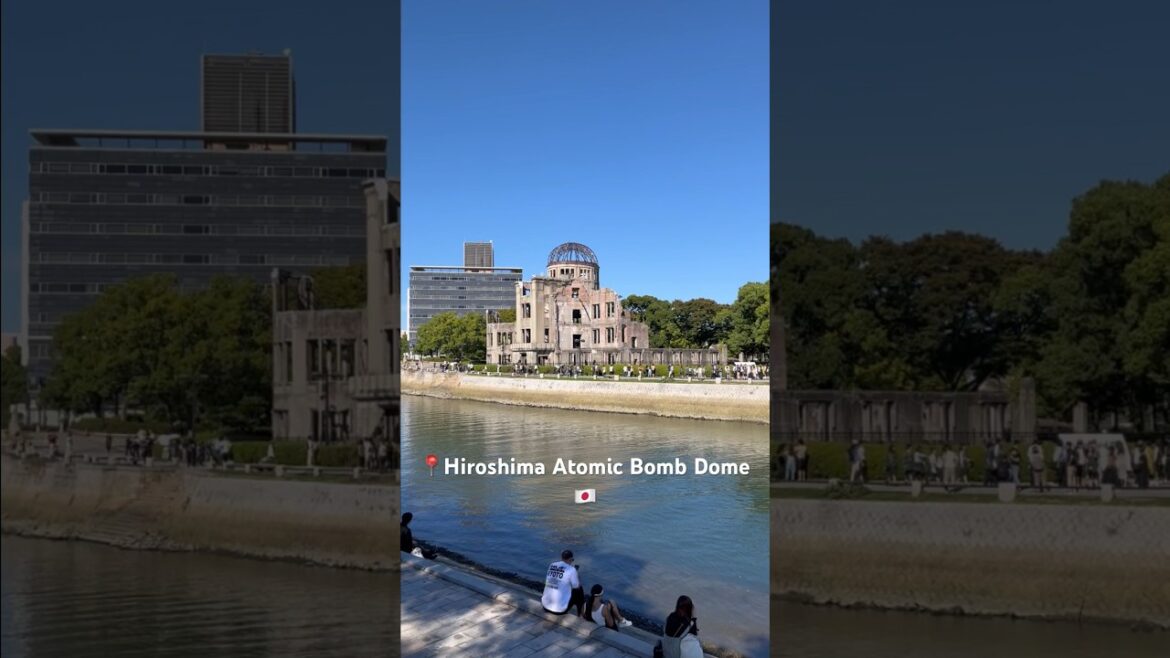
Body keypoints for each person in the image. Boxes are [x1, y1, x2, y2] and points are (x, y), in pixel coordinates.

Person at [541, 549, 584, 616]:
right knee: (579, 590)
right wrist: (577, 576)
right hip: (559, 610)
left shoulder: (552, 565)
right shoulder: (572, 569)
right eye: (572, 560)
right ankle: (580, 614)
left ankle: (580, 614)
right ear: (570, 559)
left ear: (561, 558)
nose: (572, 562)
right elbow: (576, 586)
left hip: (545, 606)